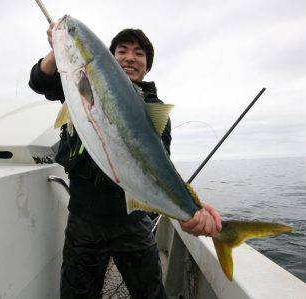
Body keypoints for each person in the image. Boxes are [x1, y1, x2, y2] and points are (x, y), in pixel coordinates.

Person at [29, 22, 222, 299]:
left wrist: (193, 208)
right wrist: (56, 50)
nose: (130, 57)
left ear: (147, 65)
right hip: (85, 215)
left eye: (139, 53)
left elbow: (159, 168)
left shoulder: (155, 111)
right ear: (109, 57)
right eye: (122, 51)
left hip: (133, 221)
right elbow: (38, 81)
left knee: (150, 293)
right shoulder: (79, 81)